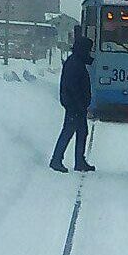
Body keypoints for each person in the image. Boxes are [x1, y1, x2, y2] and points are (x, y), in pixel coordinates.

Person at [50, 36, 96, 173]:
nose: (90, 52)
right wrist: (81, 104)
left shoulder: (76, 61)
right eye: (89, 50)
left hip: (76, 105)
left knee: (82, 132)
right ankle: (56, 160)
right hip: (74, 105)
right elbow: (73, 87)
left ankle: (79, 161)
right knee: (68, 131)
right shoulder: (75, 64)